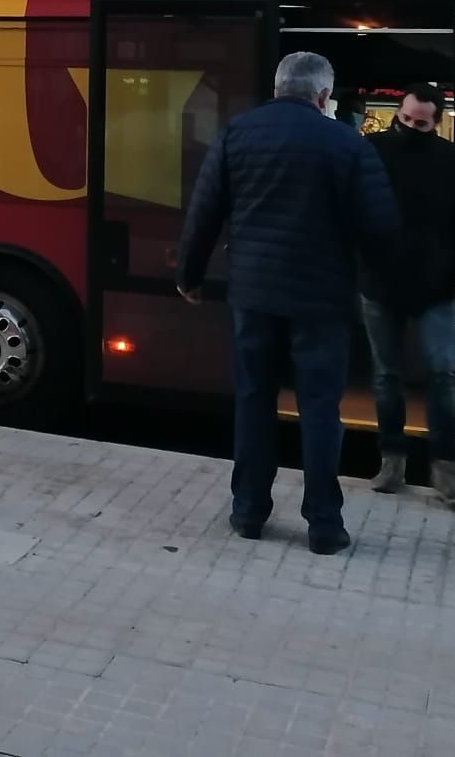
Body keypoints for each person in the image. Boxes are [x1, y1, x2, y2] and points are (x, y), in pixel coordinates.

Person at [177, 51, 400, 555]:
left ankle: (249, 512)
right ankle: (323, 523)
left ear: (278, 88)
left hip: (253, 295)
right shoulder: (348, 143)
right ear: (324, 96)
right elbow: (382, 229)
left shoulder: (238, 133)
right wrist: (381, 286)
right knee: (321, 409)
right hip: (322, 299)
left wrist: (189, 276)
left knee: (254, 400)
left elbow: (205, 211)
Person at [360, 84, 455, 506]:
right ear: (398, 111)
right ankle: (393, 459)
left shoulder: (451, 160)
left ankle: (443, 465)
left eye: (420, 123)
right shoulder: (373, 150)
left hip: (434, 283)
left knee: (441, 371)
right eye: (406, 119)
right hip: (383, 280)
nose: (411, 127)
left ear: (436, 121)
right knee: (387, 374)